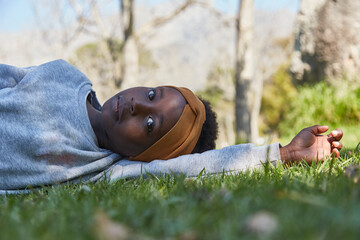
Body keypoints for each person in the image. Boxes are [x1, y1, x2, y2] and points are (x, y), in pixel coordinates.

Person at [0, 60, 343, 192]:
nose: (136, 104)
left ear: (145, 157)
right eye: (152, 94)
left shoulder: (102, 168)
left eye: (150, 124)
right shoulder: (66, 75)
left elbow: (199, 166)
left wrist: (283, 154)